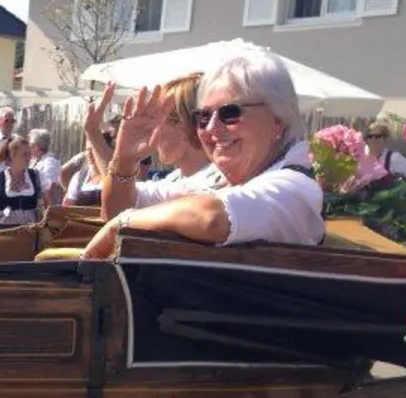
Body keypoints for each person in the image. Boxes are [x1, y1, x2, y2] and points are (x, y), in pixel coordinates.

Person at [82, 50, 325, 258]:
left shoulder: (295, 187)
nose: (211, 129)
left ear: (277, 121)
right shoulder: (218, 182)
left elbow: (211, 218)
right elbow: (118, 208)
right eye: (204, 116)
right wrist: (124, 161)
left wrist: (122, 224)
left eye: (230, 113)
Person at [100, 74, 216, 220]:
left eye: (155, 119)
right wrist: (124, 160)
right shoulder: (176, 179)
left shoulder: (216, 181)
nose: (150, 130)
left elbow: (116, 215)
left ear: (183, 124)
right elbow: (113, 213)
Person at [0, 135, 47, 226]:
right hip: (4, 232)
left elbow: (46, 205)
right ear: (12, 155)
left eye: (29, 154)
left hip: (30, 232)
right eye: (24, 154)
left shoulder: (36, 176)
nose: (29, 158)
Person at [28, 128, 64, 207]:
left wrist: (47, 208)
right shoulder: (36, 161)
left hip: (47, 206)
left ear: (37, 146)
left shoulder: (50, 162)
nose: (28, 147)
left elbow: (50, 187)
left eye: (30, 145)